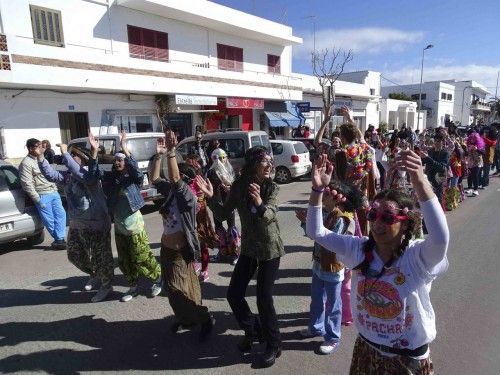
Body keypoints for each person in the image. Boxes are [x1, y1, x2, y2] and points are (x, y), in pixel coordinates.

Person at [306, 151, 449, 374]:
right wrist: (317, 191)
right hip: (367, 349)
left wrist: (420, 181)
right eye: (373, 215)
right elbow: (316, 232)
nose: (378, 223)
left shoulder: (416, 256)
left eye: (388, 217)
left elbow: (440, 239)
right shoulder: (359, 249)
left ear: (405, 224)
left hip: (407, 358)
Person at [198, 146, 284, 368]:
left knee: (264, 298)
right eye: (264, 161)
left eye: (270, 161)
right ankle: (253, 330)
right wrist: (211, 198)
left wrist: (259, 203)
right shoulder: (239, 185)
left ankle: (274, 345)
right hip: (248, 248)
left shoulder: (271, 187)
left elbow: (271, 214)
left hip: (269, 249)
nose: (269, 165)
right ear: (253, 164)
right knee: (234, 294)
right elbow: (224, 214)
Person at [150, 131, 214, 341]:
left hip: (180, 250)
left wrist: (171, 152)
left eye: (177, 177)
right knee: (183, 287)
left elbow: (175, 178)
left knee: (176, 291)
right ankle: (186, 318)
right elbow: (155, 178)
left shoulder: (188, 197)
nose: (173, 179)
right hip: (166, 249)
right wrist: (158, 155)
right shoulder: (170, 191)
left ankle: (204, 319)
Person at [88, 130, 162, 302]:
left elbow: (137, 171)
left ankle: (158, 278)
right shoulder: (111, 178)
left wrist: (124, 148)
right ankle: (133, 286)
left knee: (141, 255)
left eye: (121, 160)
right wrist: (93, 152)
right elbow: (93, 174)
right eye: (116, 160)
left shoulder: (132, 178)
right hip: (120, 225)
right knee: (125, 259)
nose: (118, 162)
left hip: (134, 224)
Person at [38, 141, 114, 302]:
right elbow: (51, 175)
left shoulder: (90, 174)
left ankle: (106, 286)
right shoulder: (69, 177)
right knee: (74, 254)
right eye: (70, 155)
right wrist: (40, 157)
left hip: (96, 223)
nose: (71, 158)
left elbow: (82, 174)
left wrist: (65, 153)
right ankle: (95, 274)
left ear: (83, 159)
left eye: (74, 155)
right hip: (77, 223)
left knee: (102, 256)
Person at [296, 180, 364, 355]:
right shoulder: (324, 213)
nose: (323, 198)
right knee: (317, 299)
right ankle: (316, 327)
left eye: (326, 195)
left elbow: (332, 241)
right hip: (319, 264)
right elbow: (313, 234)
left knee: (333, 304)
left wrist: (311, 224)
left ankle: (333, 337)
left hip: (333, 268)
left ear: (337, 200)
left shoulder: (341, 217)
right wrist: (306, 223)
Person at [19, 138, 67, 250]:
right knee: (49, 219)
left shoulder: (42, 159)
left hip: (53, 191)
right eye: (37, 146)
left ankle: (60, 238)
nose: (40, 148)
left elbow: (50, 173)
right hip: (42, 194)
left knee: (61, 214)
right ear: (30, 148)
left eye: (41, 145)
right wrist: (38, 200)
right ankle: (59, 239)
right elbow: (27, 184)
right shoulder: (26, 163)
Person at [185, 154, 218, 282]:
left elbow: (207, 195)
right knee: (189, 243)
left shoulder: (200, 178)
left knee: (203, 243)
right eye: (188, 164)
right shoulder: (184, 179)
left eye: (193, 164)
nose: (190, 167)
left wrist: (206, 193)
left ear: (198, 165)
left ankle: (204, 270)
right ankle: (195, 262)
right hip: (188, 216)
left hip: (201, 215)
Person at [207, 148, 240, 265]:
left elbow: (235, 185)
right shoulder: (211, 172)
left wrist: (230, 188)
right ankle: (222, 252)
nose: (220, 160)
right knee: (219, 228)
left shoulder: (230, 170)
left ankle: (235, 253)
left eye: (222, 157)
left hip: (229, 202)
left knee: (232, 227)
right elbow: (210, 187)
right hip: (217, 203)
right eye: (217, 158)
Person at [419, 134, 450, 206]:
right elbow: (424, 162)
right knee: (427, 199)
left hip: (438, 179)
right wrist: (420, 157)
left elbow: (441, 167)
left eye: (438, 141)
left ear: (443, 142)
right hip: (428, 178)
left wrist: (428, 158)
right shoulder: (430, 151)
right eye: (435, 140)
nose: (436, 142)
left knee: (437, 199)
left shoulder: (445, 153)